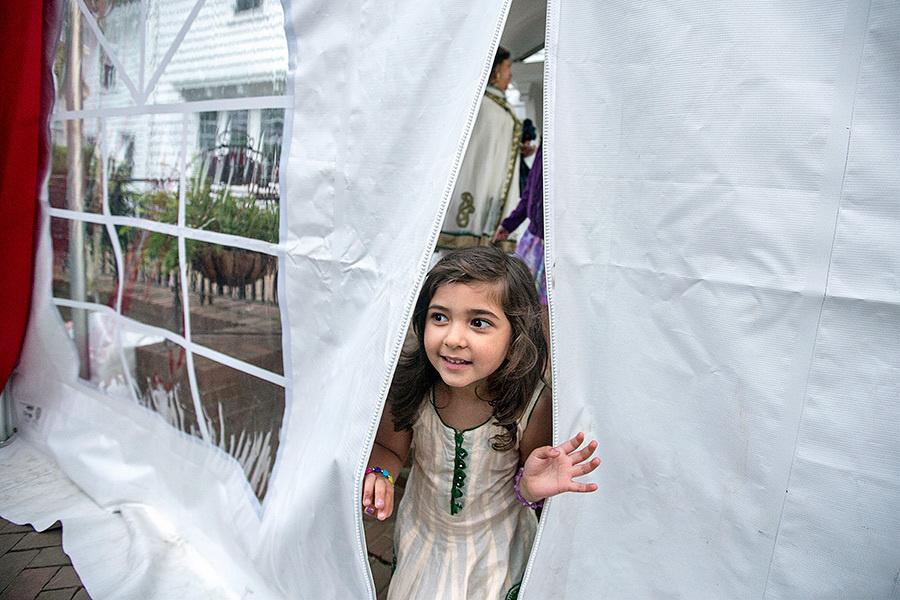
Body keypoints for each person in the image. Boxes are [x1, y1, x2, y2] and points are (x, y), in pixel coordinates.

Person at [362, 246, 600, 599]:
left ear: (515, 334)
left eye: (479, 322)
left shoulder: (532, 404)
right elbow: (387, 448)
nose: (454, 338)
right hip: (424, 538)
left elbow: (529, 486)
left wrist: (532, 488)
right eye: (439, 317)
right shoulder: (411, 386)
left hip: (494, 553)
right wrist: (381, 475)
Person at [437, 47, 522, 253]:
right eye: (507, 67)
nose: (510, 74)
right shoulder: (480, 105)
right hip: (475, 184)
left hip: (494, 186)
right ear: (496, 71)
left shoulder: (501, 107)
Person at [493, 145, 548, 343]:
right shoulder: (544, 146)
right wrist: (509, 224)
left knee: (546, 310)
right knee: (517, 293)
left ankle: (546, 363)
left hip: (553, 244)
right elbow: (530, 192)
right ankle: (519, 350)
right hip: (532, 240)